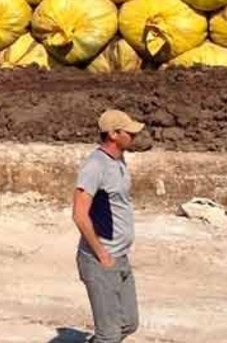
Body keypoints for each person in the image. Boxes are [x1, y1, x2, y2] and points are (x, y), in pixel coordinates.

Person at [72, 109, 145, 343]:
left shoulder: (119, 160)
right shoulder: (95, 166)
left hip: (120, 256)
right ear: (113, 134)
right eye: (128, 132)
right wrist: (101, 253)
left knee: (128, 323)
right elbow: (79, 215)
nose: (134, 136)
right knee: (109, 334)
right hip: (100, 261)